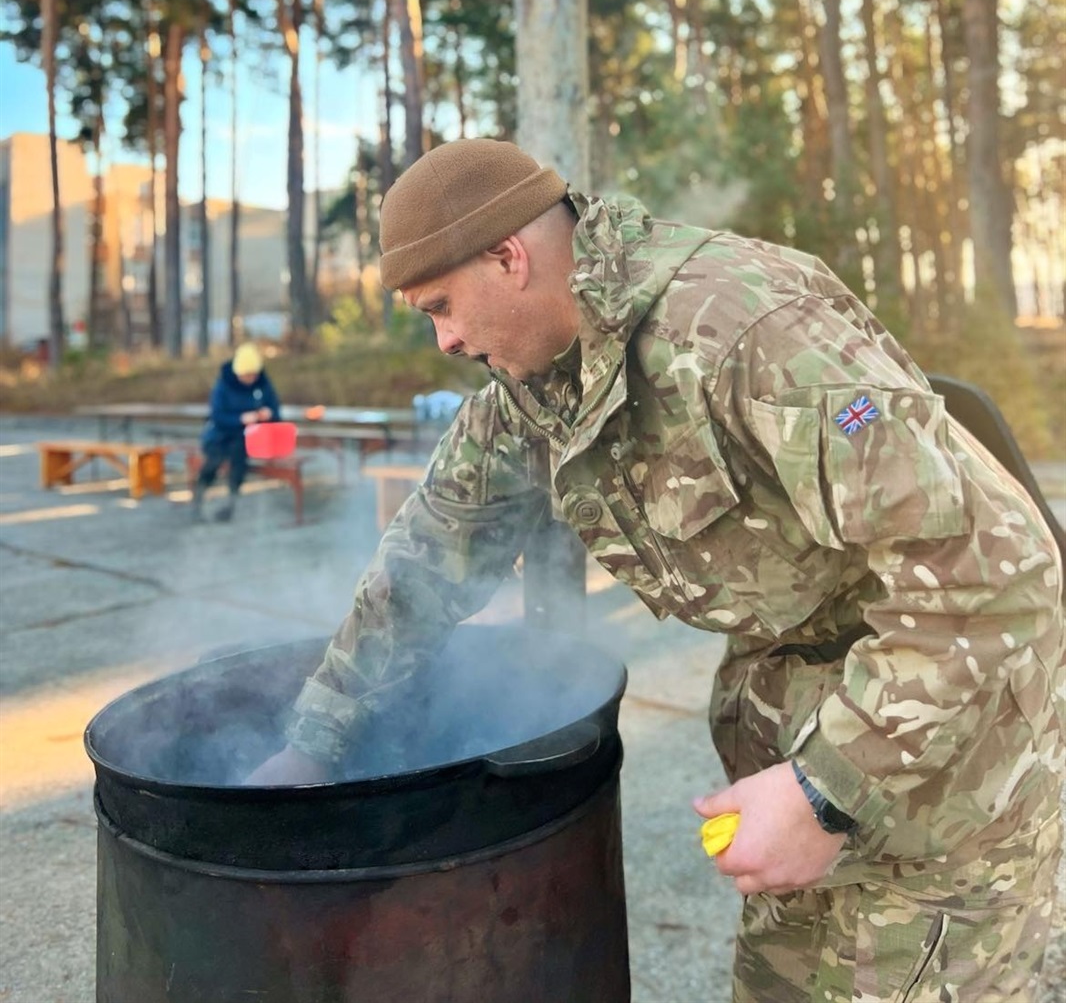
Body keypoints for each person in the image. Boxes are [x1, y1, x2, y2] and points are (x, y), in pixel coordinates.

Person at [249, 139, 1064, 1001]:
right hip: (795, 750)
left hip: (948, 778)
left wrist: (828, 792)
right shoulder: (534, 392)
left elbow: (997, 577)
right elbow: (424, 566)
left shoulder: (746, 329)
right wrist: (314, 741)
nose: (445, 339)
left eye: (443, 306)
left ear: (508, 256)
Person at [192, 342, 281, 522]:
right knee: (214, 459)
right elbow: (217, 416)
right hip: (219, 434)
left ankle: (230, 503)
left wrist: (269, 413)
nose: (250, 378)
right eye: (246, 375)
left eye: (253, 375)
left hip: (247, 438)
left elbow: (275, 410)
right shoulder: (223, 385)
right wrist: (240, 418)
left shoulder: (263, 384)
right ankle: (198, 499)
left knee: (239, 459)